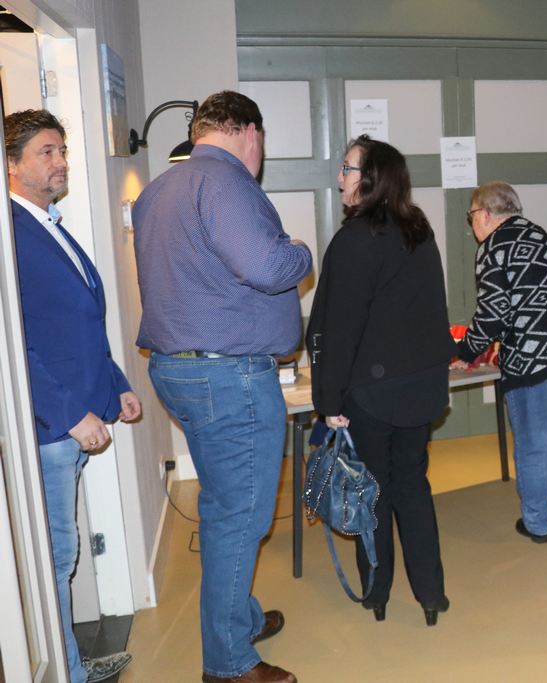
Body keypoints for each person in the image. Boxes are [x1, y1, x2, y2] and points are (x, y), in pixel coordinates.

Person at [133, 91, 311, 683]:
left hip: (179, 370)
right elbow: (268, 267)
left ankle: (239, 619)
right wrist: (300, 251)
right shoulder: (227, 182)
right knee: (239, 517)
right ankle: (229, 664)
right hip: (228, 378)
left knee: (222, 506)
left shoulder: (160, 188)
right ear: (250, 133)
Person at [5, 109, 140, 683]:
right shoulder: (11, 232)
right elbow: (13, 345)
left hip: (77, 415)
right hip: (50, 427)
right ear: (11, 164)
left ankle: (72, 663)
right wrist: (69, 415)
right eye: (47, 152)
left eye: (62, 150)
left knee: (63, 553)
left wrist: (117, 385)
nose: (61, 161)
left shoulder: (47, 223)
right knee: (56, 557)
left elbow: (77, 323)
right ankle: (68, 674)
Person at [306, 135, 454, 627]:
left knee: (373, 492)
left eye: (348, 168)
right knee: (413, 486)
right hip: (420, 388)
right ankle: (431, 594)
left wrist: (328, 401)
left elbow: (336, 330)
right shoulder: (419, 230)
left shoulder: (354, 240)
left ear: (371, 179)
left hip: (371, 393)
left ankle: (377, 592)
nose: (340, 177)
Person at [458, 181, 547, 542]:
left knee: (533, 444)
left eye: (471, 215)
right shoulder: (537, 233)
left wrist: (465, 352)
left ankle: (536, 523)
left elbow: (493, 313)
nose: (471, 223)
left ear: (485, 214)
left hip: (535, 357)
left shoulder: (493, 246)